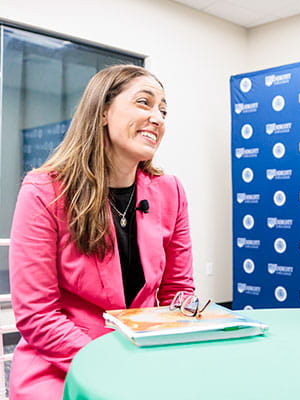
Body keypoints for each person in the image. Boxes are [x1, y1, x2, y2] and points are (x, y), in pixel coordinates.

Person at [9, 65, 196, 399]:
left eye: (163, 110)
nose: (158, 118)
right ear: (104, 111)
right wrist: (112, 364)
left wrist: (185, 336)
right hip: (61, 366)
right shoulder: (44, 191)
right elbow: (38, 315)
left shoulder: (172, 192)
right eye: (144, 102)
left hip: (146, 357)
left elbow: (178, 293)